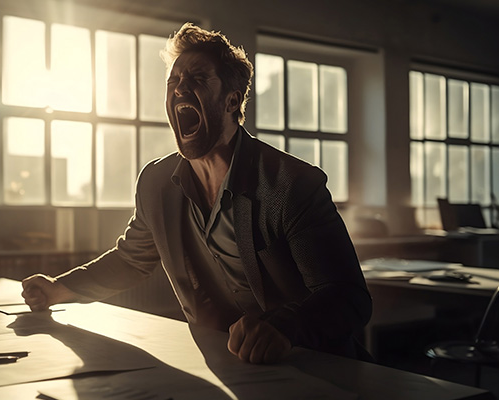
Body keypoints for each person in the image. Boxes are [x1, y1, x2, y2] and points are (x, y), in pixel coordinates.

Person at [22, 22, 372, 365]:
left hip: (312, 367)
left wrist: (284, 328)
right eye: (173, 80)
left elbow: (346, 296)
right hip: (222, 367)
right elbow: (131, 260)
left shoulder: (290, 185)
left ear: (232, 101)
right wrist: (58, 288)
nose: (179, 89)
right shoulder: (156, 183)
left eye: (198, 79)